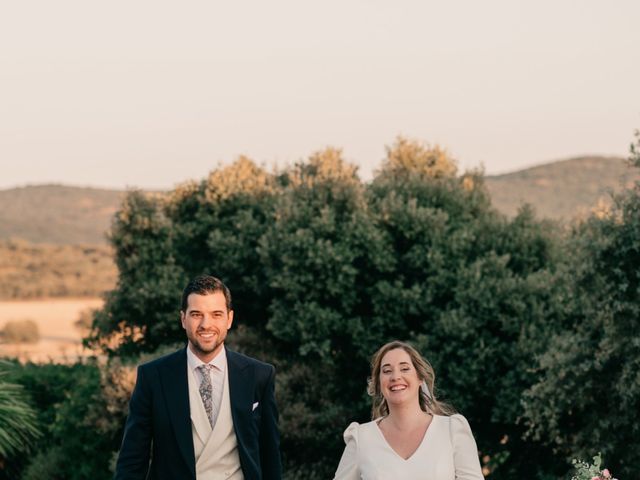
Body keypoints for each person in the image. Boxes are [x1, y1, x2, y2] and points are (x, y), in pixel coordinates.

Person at [114, 275, 282, 480]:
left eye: (216, 314)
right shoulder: (153, 377)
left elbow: (270, 458)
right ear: (183, 319)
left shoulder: (259, 375)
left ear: (229, 319)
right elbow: (132, 461)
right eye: (196, 314)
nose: (206, 324)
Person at [334, 340, 483, 479]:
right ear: (379, 384)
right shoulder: (361, 438)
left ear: (420, 378)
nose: (395, 376)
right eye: (386, 371)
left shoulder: (452, 430)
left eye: (404, 368)